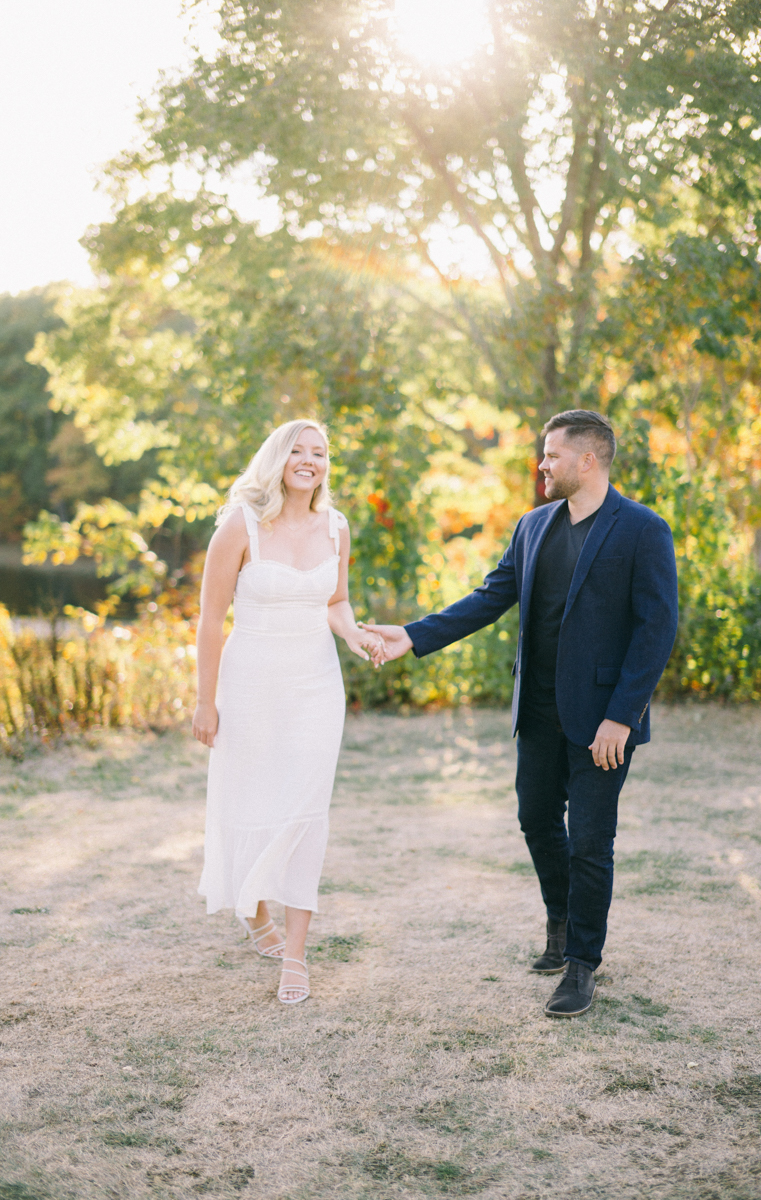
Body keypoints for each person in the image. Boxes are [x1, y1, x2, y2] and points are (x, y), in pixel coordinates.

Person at [371, 410, 678, 1017]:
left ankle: (582, 965)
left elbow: (656, 628)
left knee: (591, 841)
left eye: (552, 455)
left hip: (602, 722)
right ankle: (560, 924)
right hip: (536, 712)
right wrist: (412, 635)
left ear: (587, 460)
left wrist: (622, 715)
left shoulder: (643, 528)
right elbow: (491, 597)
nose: (542, 464)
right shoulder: (533, 526)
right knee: (537, 821)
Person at [192, 419, 384, 1005]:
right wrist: (205, 701)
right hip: (249, 686)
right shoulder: (239, 525)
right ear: (276, 459)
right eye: (297, 450)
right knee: (248, 801)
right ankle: (252, 912)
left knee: (306, 811)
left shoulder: (337, 527)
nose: (309, 460)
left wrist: (353, 635)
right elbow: (209, 620)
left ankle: (295, 955)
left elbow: (337, 600)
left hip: (316, 687)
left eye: (319, 452)